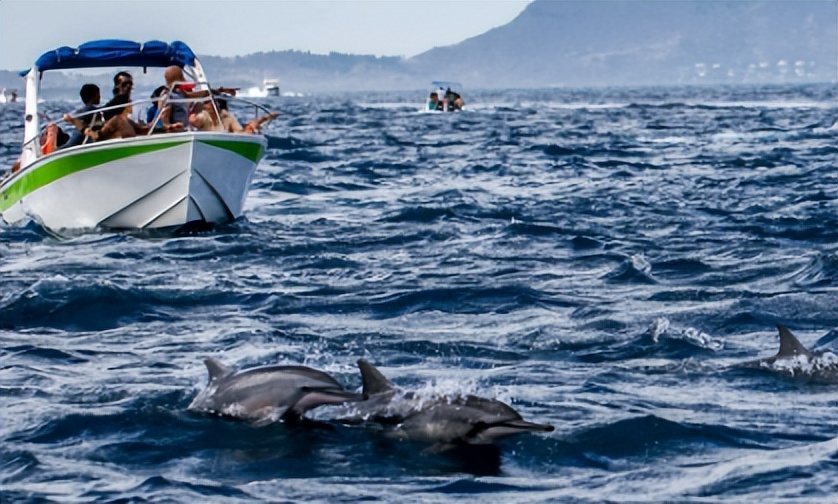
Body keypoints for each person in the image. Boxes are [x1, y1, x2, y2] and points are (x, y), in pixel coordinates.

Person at [159, 65, 237, 130]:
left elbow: (202, 94)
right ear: (175, 78)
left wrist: (221, 90)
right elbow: (165, 122)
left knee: (199, 103)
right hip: (175, 132)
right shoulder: (166, 96)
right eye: (181, 76)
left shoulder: (180, 92)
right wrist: (172, 126)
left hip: (185, 130)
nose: (184, 79)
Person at [86, 94, 181, 142]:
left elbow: (145, 130)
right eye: (130, 103)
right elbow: (99, 136)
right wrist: (85, 130)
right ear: (125, 105)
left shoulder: (129, 121)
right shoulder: (116, 120)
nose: (132, 105)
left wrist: (169, 128)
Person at [60, 83, 101, 149]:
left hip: (75, 140)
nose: (99, 96)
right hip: (78, 142)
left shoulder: (80, 110)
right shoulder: (91, 109)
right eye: (98, 94)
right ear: (93, 96)